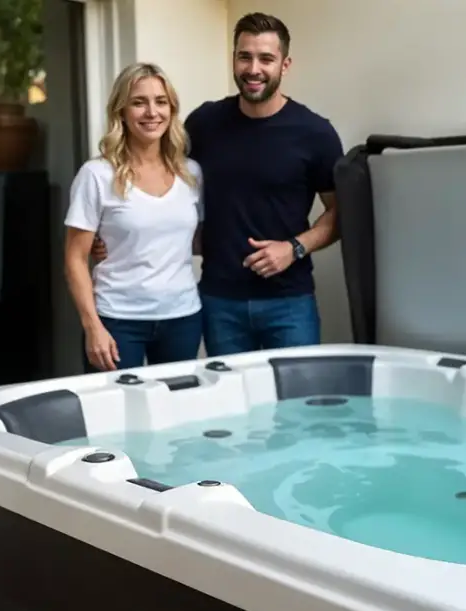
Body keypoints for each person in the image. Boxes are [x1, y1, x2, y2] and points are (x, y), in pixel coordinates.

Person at [92, 13, 344, 357]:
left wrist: (294, 248)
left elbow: (339, 213)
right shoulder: (204, 123)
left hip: (289, 303)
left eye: (266, 59)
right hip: (218, 302)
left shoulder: (315, 133)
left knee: (295, 393)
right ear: (234, 59)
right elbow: (158, 179)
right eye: (245, 56)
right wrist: (112, 235)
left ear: (285, 65)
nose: (253, 68)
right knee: (224, 393)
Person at [64, 62, 203, 372]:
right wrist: (92, 326)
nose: (152, 112)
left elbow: (193, 241)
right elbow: (74, 258)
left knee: (176, 403)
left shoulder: (191, 173)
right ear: (121, 112)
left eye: (161, 102)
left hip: (182, 317)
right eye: (139, 102)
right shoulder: (96, 174)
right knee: (114, 404)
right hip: (117, 320)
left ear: (172, 109)